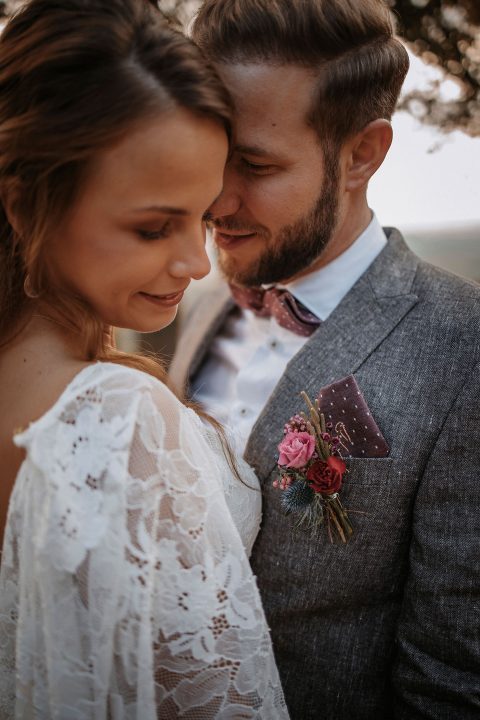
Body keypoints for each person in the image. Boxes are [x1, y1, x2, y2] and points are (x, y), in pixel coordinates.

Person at [169, 0, 480, 718]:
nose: (215, 200)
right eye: (210, 158)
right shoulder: (198, 299)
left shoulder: (464, 353)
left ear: (362, 154)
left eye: (254, 164)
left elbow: (453, 684)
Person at [0, 1, 290, 717]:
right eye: (154, 227)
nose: (196, 261)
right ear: (23, 203)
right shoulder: (112, 416)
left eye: (202, 216)